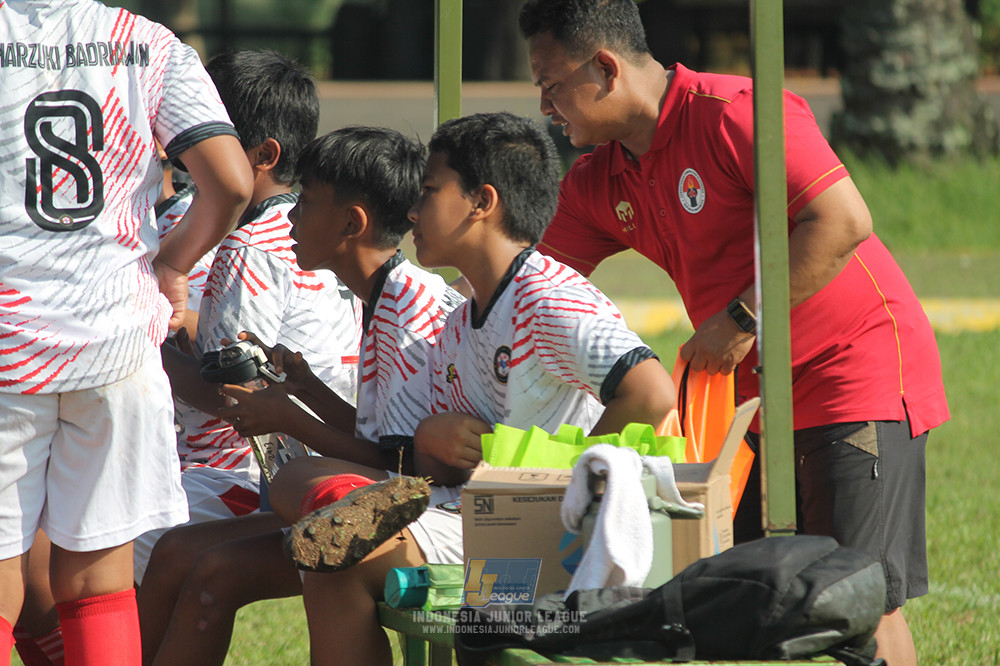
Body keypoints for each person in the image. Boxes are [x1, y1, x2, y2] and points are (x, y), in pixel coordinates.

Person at [517, 2, 949, 664]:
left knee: (860, 598)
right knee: (728, 595)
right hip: (746, 404)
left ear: (604, 68)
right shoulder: (600, 178)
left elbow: (842, 220)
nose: (547, 107)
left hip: (852, 372)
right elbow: (524, 280)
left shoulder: (733, 112)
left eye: (551, 86)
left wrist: (743, 318)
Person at [285, 111, 675, 666]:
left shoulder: (548, 297)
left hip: (548, 547)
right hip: (483, 521)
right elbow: (427, 464)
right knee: (319, 530)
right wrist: (433, 440)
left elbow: (652, 393)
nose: (414, 211)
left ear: (481, 202)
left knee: (338, 555)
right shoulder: (461, 320)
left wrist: (565, 494)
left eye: (429, 191)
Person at [136, 126, 462, 666]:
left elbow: (402, 467)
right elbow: (379, 435)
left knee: (226, 554)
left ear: (351, 224)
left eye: (306, 203)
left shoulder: (408, 310)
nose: (288, 218)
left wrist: (288, 416)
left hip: (419, 519)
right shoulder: (385, 298)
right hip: (368, 500)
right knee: (179, 553)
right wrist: (306, 389)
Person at [0, 0, 254, 663]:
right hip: (116, 344)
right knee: (99, 582)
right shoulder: (149, 44)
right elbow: (229, 181)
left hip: (6, 344)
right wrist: (172, 263)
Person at [134, 49, 364, 587]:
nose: (177, 147)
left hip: (244, 474)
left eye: (199, 134)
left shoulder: (251, 246)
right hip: (286, 466)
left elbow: (228, 396)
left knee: (95, 548)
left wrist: (142, 343)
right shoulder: (298, 230)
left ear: (261, 154)